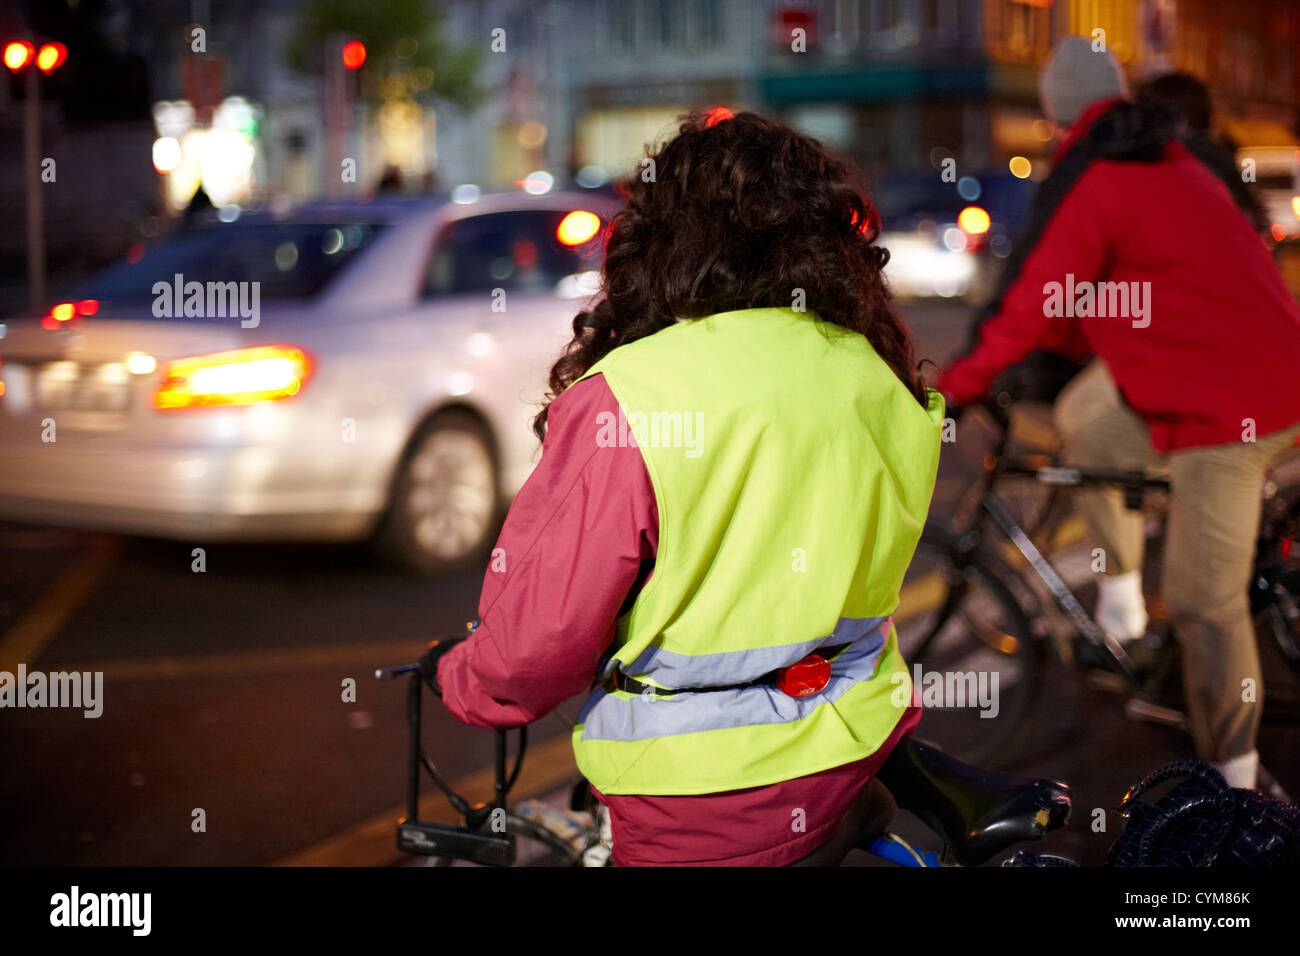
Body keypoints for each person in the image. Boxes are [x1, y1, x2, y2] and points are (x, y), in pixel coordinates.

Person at [424, 107, 945, 865]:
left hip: (701, 804)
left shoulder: (635, 395)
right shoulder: (874, 371)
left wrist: (460, 677)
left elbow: (534, 648)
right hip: (854, 750)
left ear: (664, 241)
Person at [939, 36, 1300, 790]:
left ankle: (1239, 786)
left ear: (1054, 118)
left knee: (1207, 607)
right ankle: (1124, 601)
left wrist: (958, 386)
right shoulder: (1173, 153)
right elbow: (1085, 298)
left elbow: (1028, 302)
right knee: (1089, 419)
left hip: (1234, 409)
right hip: (1247, 368)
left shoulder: (1092, 176)